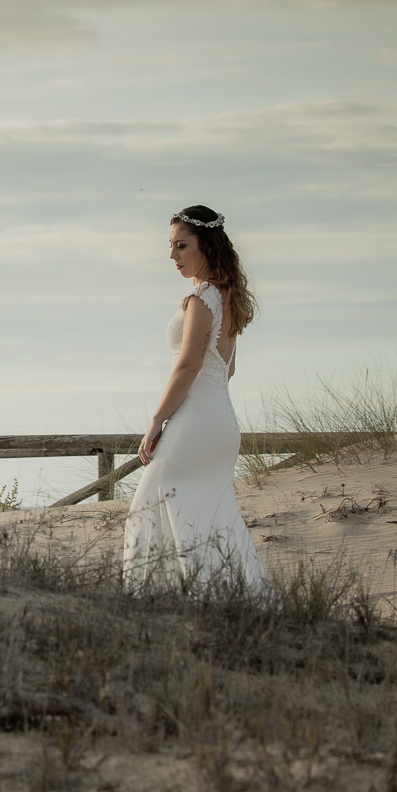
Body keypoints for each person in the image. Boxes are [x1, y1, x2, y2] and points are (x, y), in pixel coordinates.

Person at [121, 205, 270, 595]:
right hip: (221, 423)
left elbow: (188, 365)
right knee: (212, 516)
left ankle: (156, 602)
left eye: (181, 246)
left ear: (207, 246)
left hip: (195, 421)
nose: (173, 256)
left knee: (149, 507)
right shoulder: (228, 297)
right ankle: (231, 598)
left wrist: (156, 422)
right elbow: (228, 369)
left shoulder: (201, 298)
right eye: (171, 247)